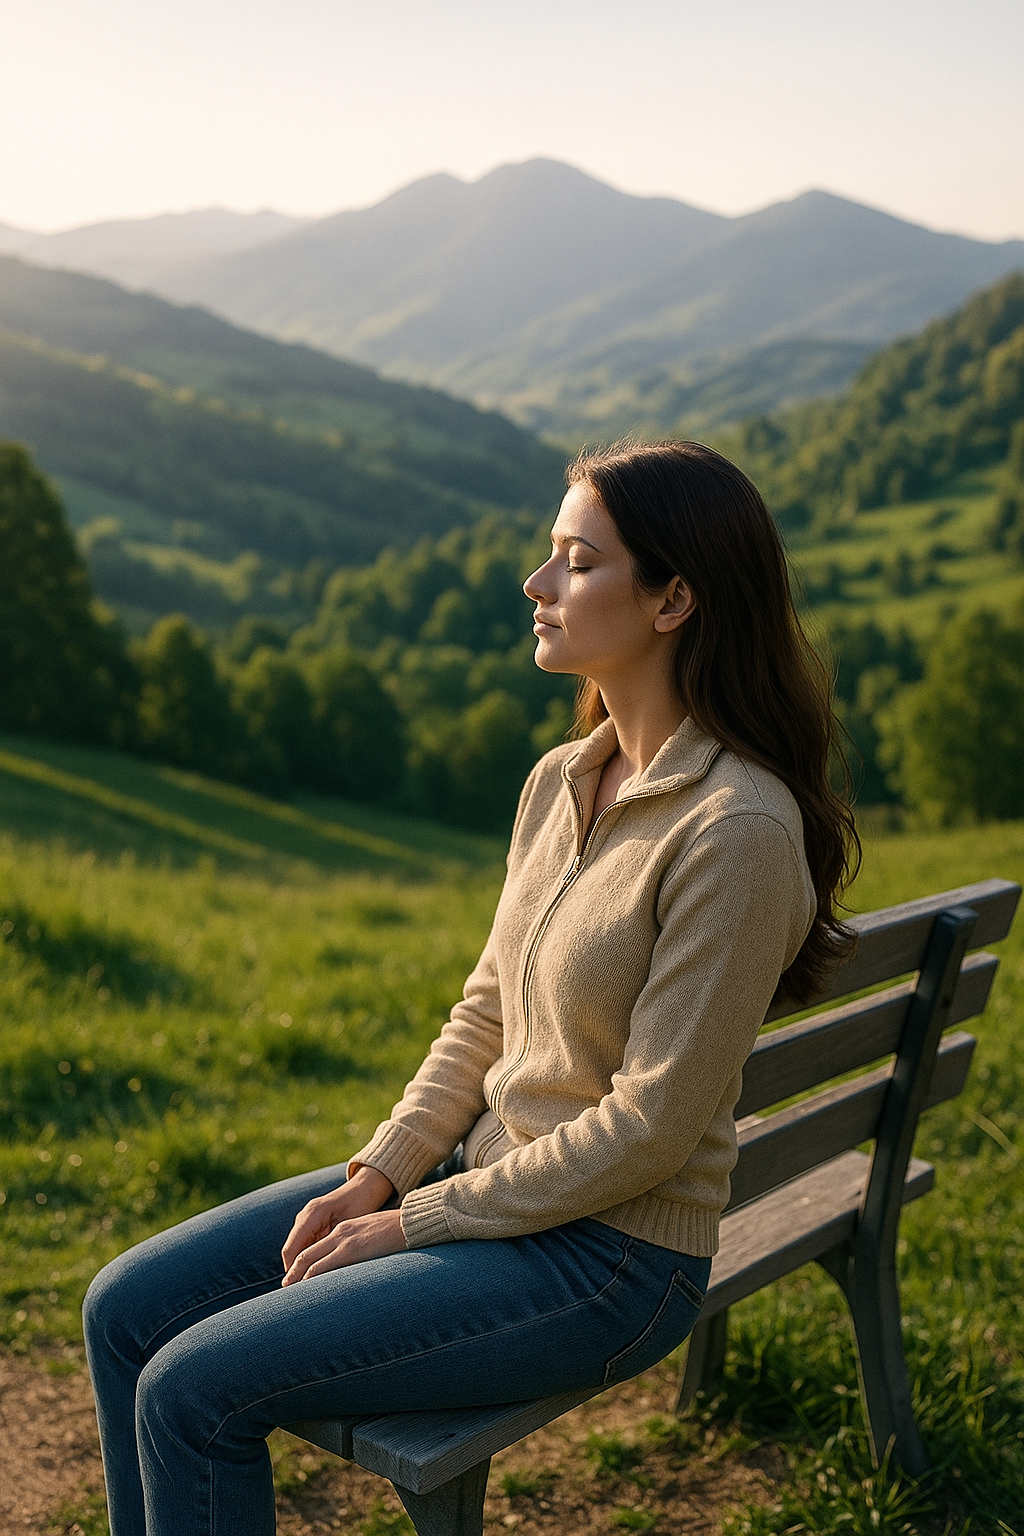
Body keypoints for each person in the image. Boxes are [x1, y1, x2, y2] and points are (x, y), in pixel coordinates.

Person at [83, 440, 857, 1536]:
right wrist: (380, 1174)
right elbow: (485, 1012)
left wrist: (418, 1223)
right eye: (551, 556)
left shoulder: (735, 831)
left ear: (673, 597)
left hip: (610, 1262)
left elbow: (648, 1128)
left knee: (191, 1392)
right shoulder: (563, 778)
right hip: (487, 1187)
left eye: (576, 563)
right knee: (124, 1313)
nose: (537, 586)